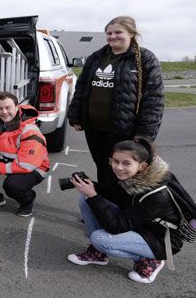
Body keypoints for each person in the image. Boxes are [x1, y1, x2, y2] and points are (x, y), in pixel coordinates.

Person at [67, 137, 185, 284]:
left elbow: (116, 226)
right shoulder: (130, 176)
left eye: (126, 163)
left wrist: (93, 194)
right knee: (86, 200)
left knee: (100, 238)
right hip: (138, 224)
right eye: (116, 161)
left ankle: (151, 260)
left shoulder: (157, 195)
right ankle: (98, 253)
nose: (119, 167)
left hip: (159, 238)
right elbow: (110, 195)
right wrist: (91, 186)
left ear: (142, 166)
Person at [67, 16, 164, 188]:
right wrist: (75, 116)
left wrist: (144, 136)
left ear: (131, 33)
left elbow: (153, 100)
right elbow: (81, 88)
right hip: (94, 129)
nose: (113, 36)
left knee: (122, 175)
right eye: (109, 33)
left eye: (118, 32)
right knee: (103, 168)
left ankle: (121, 213)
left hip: (125, 131)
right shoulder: (96, 58)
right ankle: (103, 210)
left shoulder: (145, 59)